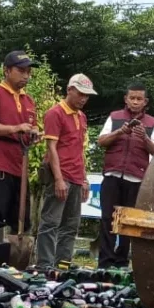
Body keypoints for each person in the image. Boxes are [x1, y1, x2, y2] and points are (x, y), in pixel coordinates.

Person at [0, 51, 40, 243]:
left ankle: (16, 262)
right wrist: (15, 128)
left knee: (22, 217)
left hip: (19, 163)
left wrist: (34, 134)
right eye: (21, 71)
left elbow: (31, 126)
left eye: (28, 72)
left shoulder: (29, 101)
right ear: (6, 70)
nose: (26, 76)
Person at [96, 81, 154, 268]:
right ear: (126, 99)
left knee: (128, 222)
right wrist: (120, 131)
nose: (135, 102)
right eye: (132, 98)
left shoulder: (152, 123)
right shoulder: (114, 118)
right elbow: (101, 141)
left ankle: (121, 262)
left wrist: (144, 137)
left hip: (136, 179)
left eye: (139, 99)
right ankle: (105, 262)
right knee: (107, 219)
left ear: (145, 101)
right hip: (112, 176)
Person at [36, 74, 96, 269]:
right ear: (70, 90)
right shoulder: (55, 113)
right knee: (51, 223)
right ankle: (44, 265)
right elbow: (51, 148)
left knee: (71, 226)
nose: (84, 98)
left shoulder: (82, 116)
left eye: (87, 95)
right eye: (80, 94)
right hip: (60, 176)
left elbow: (80, 149)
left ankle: (62, 265)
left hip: (77, 177)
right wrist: (59, 179)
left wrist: (84, 180)